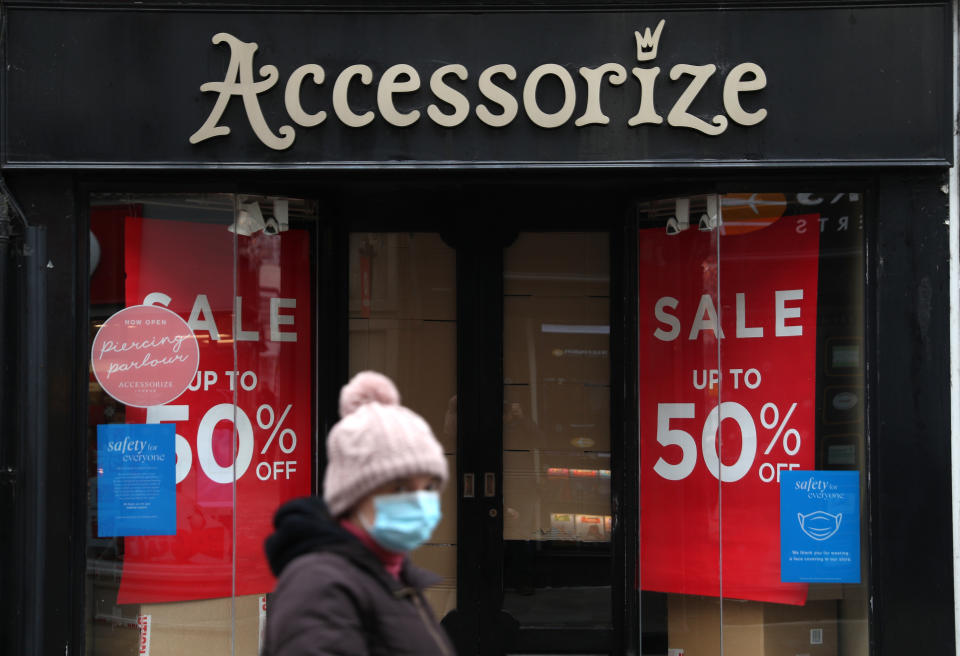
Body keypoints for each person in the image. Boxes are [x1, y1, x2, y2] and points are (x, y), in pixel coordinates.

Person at [262, 371, 455, 655]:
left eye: (428, 487)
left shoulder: (394, 573)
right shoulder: (321, 586)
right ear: (354, 494)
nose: (418, 501)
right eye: (399, 487)